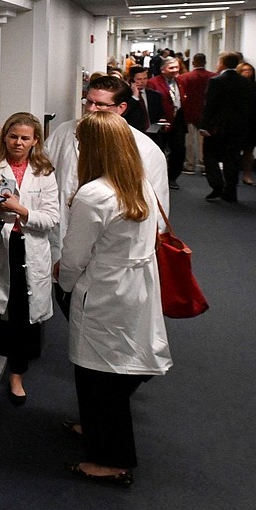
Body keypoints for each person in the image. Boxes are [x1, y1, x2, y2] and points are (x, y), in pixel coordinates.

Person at [58, 111, 172, 487]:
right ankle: (96, 428)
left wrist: (66, 283)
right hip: (135, 286)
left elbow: (75, 257)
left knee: (98, 373)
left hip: (104, 289)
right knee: (119, 363)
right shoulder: (138, 183)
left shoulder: (94, 194)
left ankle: (112, 461)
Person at [0, 112, 59, 406]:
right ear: (4, 137)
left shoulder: (44, 170)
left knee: (23, 315)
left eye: (25, 138)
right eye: (13, 136)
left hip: (28, 246)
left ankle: (17, 374)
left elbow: (52, 218)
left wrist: (21, 210)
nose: (18, 143)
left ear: (35, 141)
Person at [47, 75, 169, 268]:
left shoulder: (146, 150)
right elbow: (44, 176)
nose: (91, 109)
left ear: (121, 108)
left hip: (119, 259)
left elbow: (158, 215)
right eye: (89, 102)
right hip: (65, 243)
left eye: (101, 105)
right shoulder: (63, 133)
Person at [201, 52, 256, 203]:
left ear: (222, 63)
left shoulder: (216, 81)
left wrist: (204, 126)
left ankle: (217, 184)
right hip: (239, 129)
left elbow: (210, 106)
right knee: (232, 159)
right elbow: (251, 108)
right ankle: (231, 191)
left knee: (210, 156)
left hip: (218, 128)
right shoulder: (247, 83)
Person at [146, 57, 187, 189]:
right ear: (162, 69)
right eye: (171, 68)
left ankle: (172, 177)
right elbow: (151, 103)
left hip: (178, 120)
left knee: (179, 150)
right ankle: (156, 178)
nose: (175, 70)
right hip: (160, 121)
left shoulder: (181, 81)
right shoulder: (153, 82)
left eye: (176, 67)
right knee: (158, 151)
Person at [177, 53, 214, 175]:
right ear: (205, 62)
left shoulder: (184, 77)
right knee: (204, 141)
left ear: (193, 62)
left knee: (189, 140)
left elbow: (182, 96)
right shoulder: (213, 77)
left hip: (189, 112)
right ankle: (204, 164)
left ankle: (189, 164)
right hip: (206, 113)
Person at [235, 62, 256, 185]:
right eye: (244, 70)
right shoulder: (235, 86)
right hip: (238, 122)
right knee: (235, 150)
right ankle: (233, 174)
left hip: (253, 122)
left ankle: (247, 174)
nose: (247, 72)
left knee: (249, 150)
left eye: (249, 70)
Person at [122, 66, 164, 133]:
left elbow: (160, 115)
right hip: (133, 133)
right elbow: (123, 113)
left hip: (152, 134)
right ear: (131, 80)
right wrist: (135, 97)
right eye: (139, 79)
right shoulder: (125, 95)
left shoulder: (155, 95)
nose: (143, 82)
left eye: (145, 78)